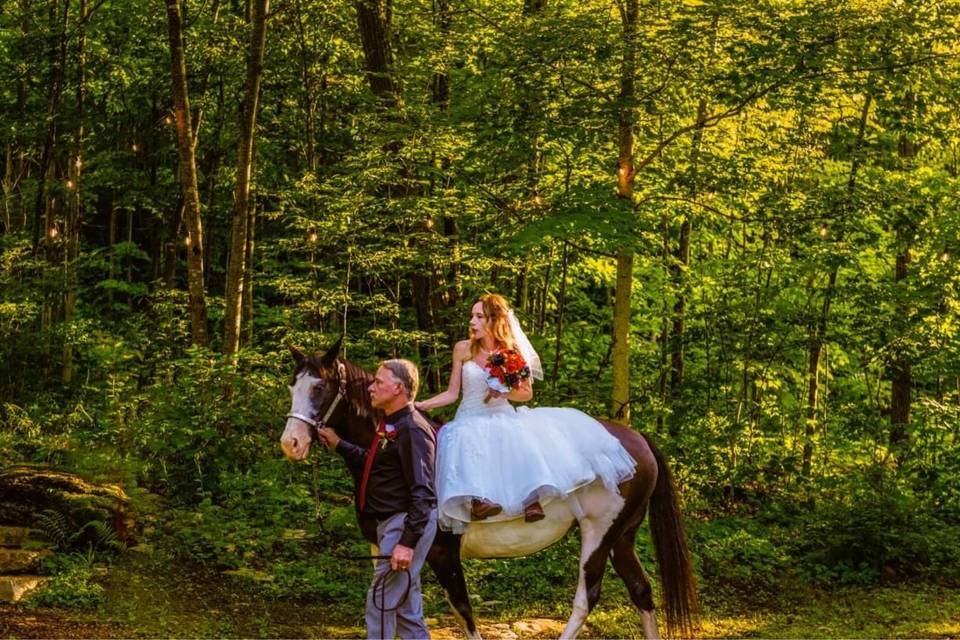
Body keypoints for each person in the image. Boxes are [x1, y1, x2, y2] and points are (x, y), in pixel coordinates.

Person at [415, 293, 637, 534]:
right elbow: (451, 393)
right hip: (469, 415)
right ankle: (479, 502)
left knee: (513, 437)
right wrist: (422, 405)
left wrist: (503, 393)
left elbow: (526, 394)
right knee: (464, 438)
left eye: (479, 317)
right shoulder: (463, 349)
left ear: (494, 320)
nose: (472, 322)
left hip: (501, 414)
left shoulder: (511, 352)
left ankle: (530, 500)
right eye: (472, 316)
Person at [316, 359, 437, 640]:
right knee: (405, 609)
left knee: (380, 602)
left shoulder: (413, 429)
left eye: (379, 382)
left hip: (404, 523)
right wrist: (339, 445)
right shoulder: (390, 424)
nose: (371, 387)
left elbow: (424, 492)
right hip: (392, 524)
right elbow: (376, 463)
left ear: (398, 389)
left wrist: (407, 543)